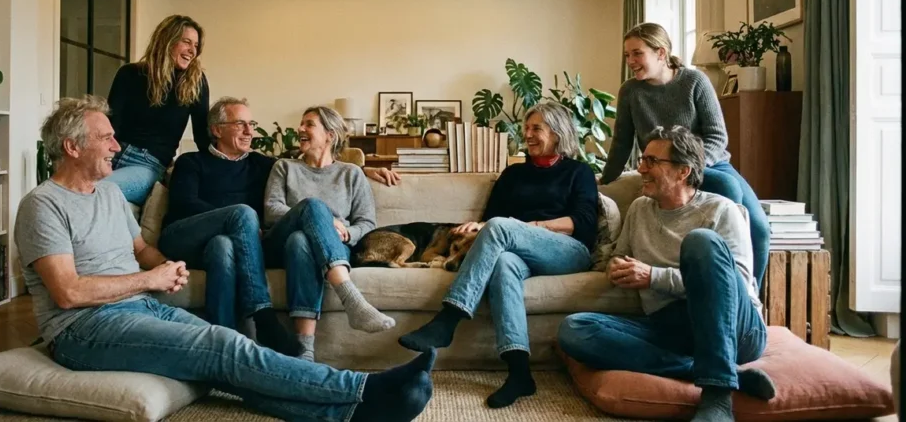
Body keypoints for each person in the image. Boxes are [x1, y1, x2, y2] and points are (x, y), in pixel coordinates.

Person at [16, 96, 435, 422]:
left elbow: (140, 251)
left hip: (136, 308)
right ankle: (364, 388)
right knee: (219, 344)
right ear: (72, 147)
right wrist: (149, 280)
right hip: (83, 329)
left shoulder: (108, 193)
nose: (117, 146)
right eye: (106, 138)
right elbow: (68, 292)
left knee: (227, 356)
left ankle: (347, 413)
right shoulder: (43, 205)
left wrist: (166, 267)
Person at [558, 126, 775, 422]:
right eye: (642, 160)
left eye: (651, 161)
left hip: (735, 328)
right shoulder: (639, 209)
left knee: (701, 242)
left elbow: (733, 283)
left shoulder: (721, 210)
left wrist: (653, 277)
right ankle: (713, 370)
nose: (641, 168)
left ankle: (717, 396)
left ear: (683, 171)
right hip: (671, 326)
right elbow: (620, 255)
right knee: (575, 330)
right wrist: (617, 266)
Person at [157, 97, 401, 355]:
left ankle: (224, 349)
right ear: (217, 130)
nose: (250, 131)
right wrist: (242, 224)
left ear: (330, 135)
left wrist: (366, 169)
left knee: (224, 245)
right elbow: (184, 204)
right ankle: (264, 314)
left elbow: (327, 174)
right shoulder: (191, 162)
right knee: (246, 214)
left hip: (226, 242)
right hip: (184, 235)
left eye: (251, 124)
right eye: (241, 124)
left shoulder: (262, 164)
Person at [398, 101, 599, 409]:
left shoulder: (578, 172)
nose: (527, 134)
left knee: (501, 229)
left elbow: (583, 222)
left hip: (567, 250)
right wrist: (480, 226)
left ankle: (449, 319)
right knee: (503, 263)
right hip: (516, 248)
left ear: (558, 133)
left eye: (536, 129)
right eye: (526, 128)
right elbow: (493, 217)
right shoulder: (513, 173)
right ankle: (519, 371)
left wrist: (528, 226)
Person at [599, 22, 771, 285]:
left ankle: (746, 298)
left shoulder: (694, 82)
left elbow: (717, 137)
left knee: (759, 228)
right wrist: (604, 179)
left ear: (661, 52)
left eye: (637, 53)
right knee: (727, 188)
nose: (630, 61)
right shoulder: (630, 91)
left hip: (710, 164)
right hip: (663, 167)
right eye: (627, 55)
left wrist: (690, 169)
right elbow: (622, 143)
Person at [263, 106, 390, 362]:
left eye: (308, 124)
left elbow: (366, 223)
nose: (300, 129)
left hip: (330, 246)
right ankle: (350, 297)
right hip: (280, 241)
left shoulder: (351, 174)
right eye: (301, 124)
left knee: (301, 241)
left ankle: (304, 351)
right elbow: (271, 209)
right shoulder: (284, 167)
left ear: (330, 135)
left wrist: (346, 233)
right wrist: (324, 218)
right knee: (312, 208)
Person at [105, 15, 210, 206]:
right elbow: (111, 125)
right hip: (113, 156)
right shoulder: (129, 73)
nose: (192, 50)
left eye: (196, 45)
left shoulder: (196, 83)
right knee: (67, 190)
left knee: (100, 190)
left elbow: (202, 136)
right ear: (167, 40)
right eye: (186, 42)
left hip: (148, 165)